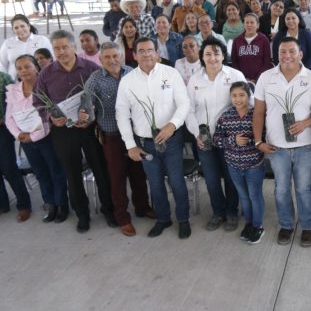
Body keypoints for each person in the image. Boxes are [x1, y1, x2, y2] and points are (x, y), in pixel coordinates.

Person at [33, 30, 114, 233]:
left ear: (74, 47)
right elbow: (38, 103)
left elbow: (103, 99)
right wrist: (50, 117)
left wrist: (92, 117)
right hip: (63, 132)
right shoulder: (46, 73)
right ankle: (82, 215)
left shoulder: (91, 69)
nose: (61, 52)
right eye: (57, 48)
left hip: (89, 129)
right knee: (72, 174)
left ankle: (109, 210)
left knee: (101, 171)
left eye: (64, 47)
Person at [116, 37, 192, 239]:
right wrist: (130, 145)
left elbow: (184, 104)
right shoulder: (127, 81)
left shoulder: (171, 74)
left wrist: (172, 124)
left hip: (171, 139)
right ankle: (163, 219)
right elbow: (121, 114)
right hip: (145, 143)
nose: (147, 54)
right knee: (155, 183)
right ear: (134, 55)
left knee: (176, 182)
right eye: (141, 51)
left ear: (158, 53)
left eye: (150, 50)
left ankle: (183, 219)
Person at [253, 37, 311, 247]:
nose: (287, 56)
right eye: (283, 52)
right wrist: (258, 141)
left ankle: (308, 226)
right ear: (277, 55)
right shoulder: (266, 78)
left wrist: (305, 123)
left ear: (300, 54)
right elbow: (258, 112)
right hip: (276, 147)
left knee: (303, 188)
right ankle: (286, 225)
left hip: (304, 145)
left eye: (292, 51)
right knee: (281, 189)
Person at [83, 42, 155, 237]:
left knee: (139, 174)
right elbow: (86, 106)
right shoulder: (95, 80)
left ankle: (142, 207)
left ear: (122, 56)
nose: (112, 60)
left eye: (115, 56)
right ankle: (122, 217)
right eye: (107, 57)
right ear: (100, 59)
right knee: (117, 178)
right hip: (112, 137)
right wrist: (85, 115)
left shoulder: (132, 72)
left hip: (136, 134)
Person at [186, 38, 246, 232]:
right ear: (202, 56)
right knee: (211, 178)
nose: (213, 58)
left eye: (217, 53)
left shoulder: (235, 75)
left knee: (231, 177)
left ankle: (231, 212)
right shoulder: (195, 79)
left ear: (223, 55)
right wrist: (197, 133)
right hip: (203, 138)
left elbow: (247, 104)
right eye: (208, 54)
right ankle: (218, 212)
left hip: (229, 138)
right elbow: (188, 110)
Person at [5, 55, 68, 223]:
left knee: (56, 172)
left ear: (36, 68)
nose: (23, 71)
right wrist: (19, 135)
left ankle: (62, 205)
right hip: (25, 141)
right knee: (40, 174)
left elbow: (48, 117)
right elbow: (9, 117)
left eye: (27, 66)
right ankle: (51, 204)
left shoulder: (45, 87)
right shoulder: (13, 90)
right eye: (19, 68)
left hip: (46, 138)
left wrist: (32, 136)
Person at [213, 81, 265, 243]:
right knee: (243, 196)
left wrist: (252, 142)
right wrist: (233, 140)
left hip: (254, 165)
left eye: (242, 95)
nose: (238, 99)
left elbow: (264, 137)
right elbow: (216, 139)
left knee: (254, 195)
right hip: (233, 165)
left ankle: (257, 226)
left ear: (249, 96)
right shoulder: (226, 117)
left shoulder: (255, 114)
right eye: (234, 95)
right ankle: (249, 223)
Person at [0, 69, 32, 222]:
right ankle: (2, 205)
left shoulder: (3, 78)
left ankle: (24, 205)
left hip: (2, 129)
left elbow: (12, 105)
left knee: (9, 168)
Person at [0, 14, 52, 79]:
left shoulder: (42, 40)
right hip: (13, 84)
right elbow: (2, 65)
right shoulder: (7, 43)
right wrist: (5, 82)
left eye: (22, 26)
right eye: (16, 28)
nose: (20, 30)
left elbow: (52, 60)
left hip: (39, 82)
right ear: (13, 30)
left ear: (28, 26)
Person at [230, 13, 272, 83]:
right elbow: (234, 62)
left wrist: (256, 78)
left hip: (260, 80)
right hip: (242, 80)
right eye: (247, 22)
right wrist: (242, 78)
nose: (249, 25)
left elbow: (267, 62)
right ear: (244, 24)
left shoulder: (264, 40)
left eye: (252, 22)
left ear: (258, 25)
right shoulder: (237, 40)